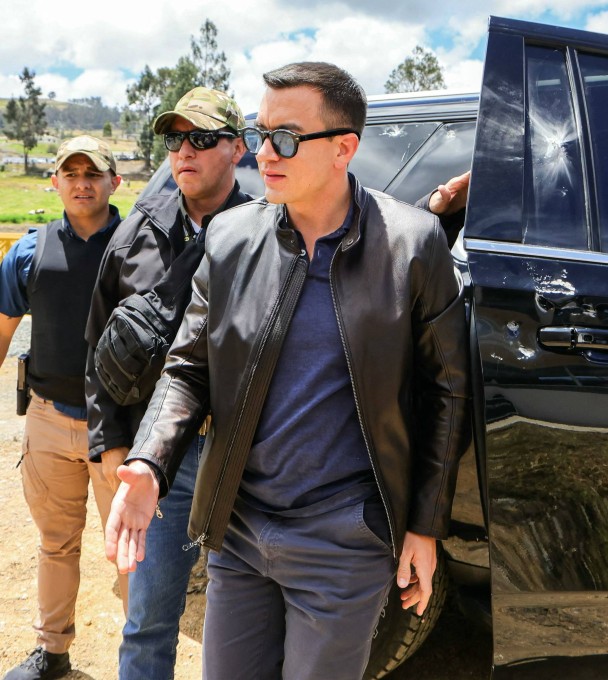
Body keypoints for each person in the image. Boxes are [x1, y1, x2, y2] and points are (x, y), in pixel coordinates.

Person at [105, 62, 471, 679]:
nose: (263, 152)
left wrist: (423, 526)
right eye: (260, 131)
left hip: (345, 540)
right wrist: (148, 462)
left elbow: (446, 392)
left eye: (287, 138)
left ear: (344, 149)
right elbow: (190, 367)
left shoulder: (413, 244)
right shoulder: (229, 238)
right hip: (240, 532)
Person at [83, 86, 250, 680]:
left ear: (236, 148)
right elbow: (98, 348)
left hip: (248, 456)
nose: (184, 150)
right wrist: (109, 443)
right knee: (150, 619)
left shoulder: (272, 233)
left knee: (246, 625)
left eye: (201, 138)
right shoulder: (134, 238)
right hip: (162, 458)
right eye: (175, 139)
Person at [0, 136, 129, 680]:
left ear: (113, 182)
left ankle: (141, 660)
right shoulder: (28, 252)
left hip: (121, 428)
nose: (81, 182)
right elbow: (3, 332)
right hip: (50, 420)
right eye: (70, 173)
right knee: (56, 544)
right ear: (55, 181)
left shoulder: (139, 247)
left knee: (133, 554)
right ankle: (52, 651)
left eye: (93, 173)